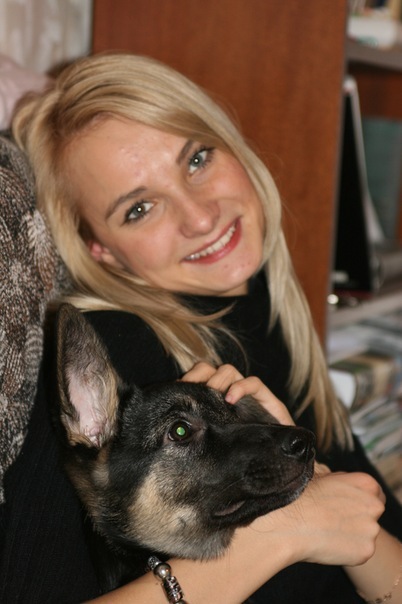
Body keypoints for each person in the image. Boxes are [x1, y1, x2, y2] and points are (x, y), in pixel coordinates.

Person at [1, 52, 401, 603]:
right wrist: (283, 533)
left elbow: (371, 547)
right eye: (139, 209)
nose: (201, 216)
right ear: (100, 250)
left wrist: (328, 502)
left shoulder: (263, 305)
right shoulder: (119, 350)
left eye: (196, 159)